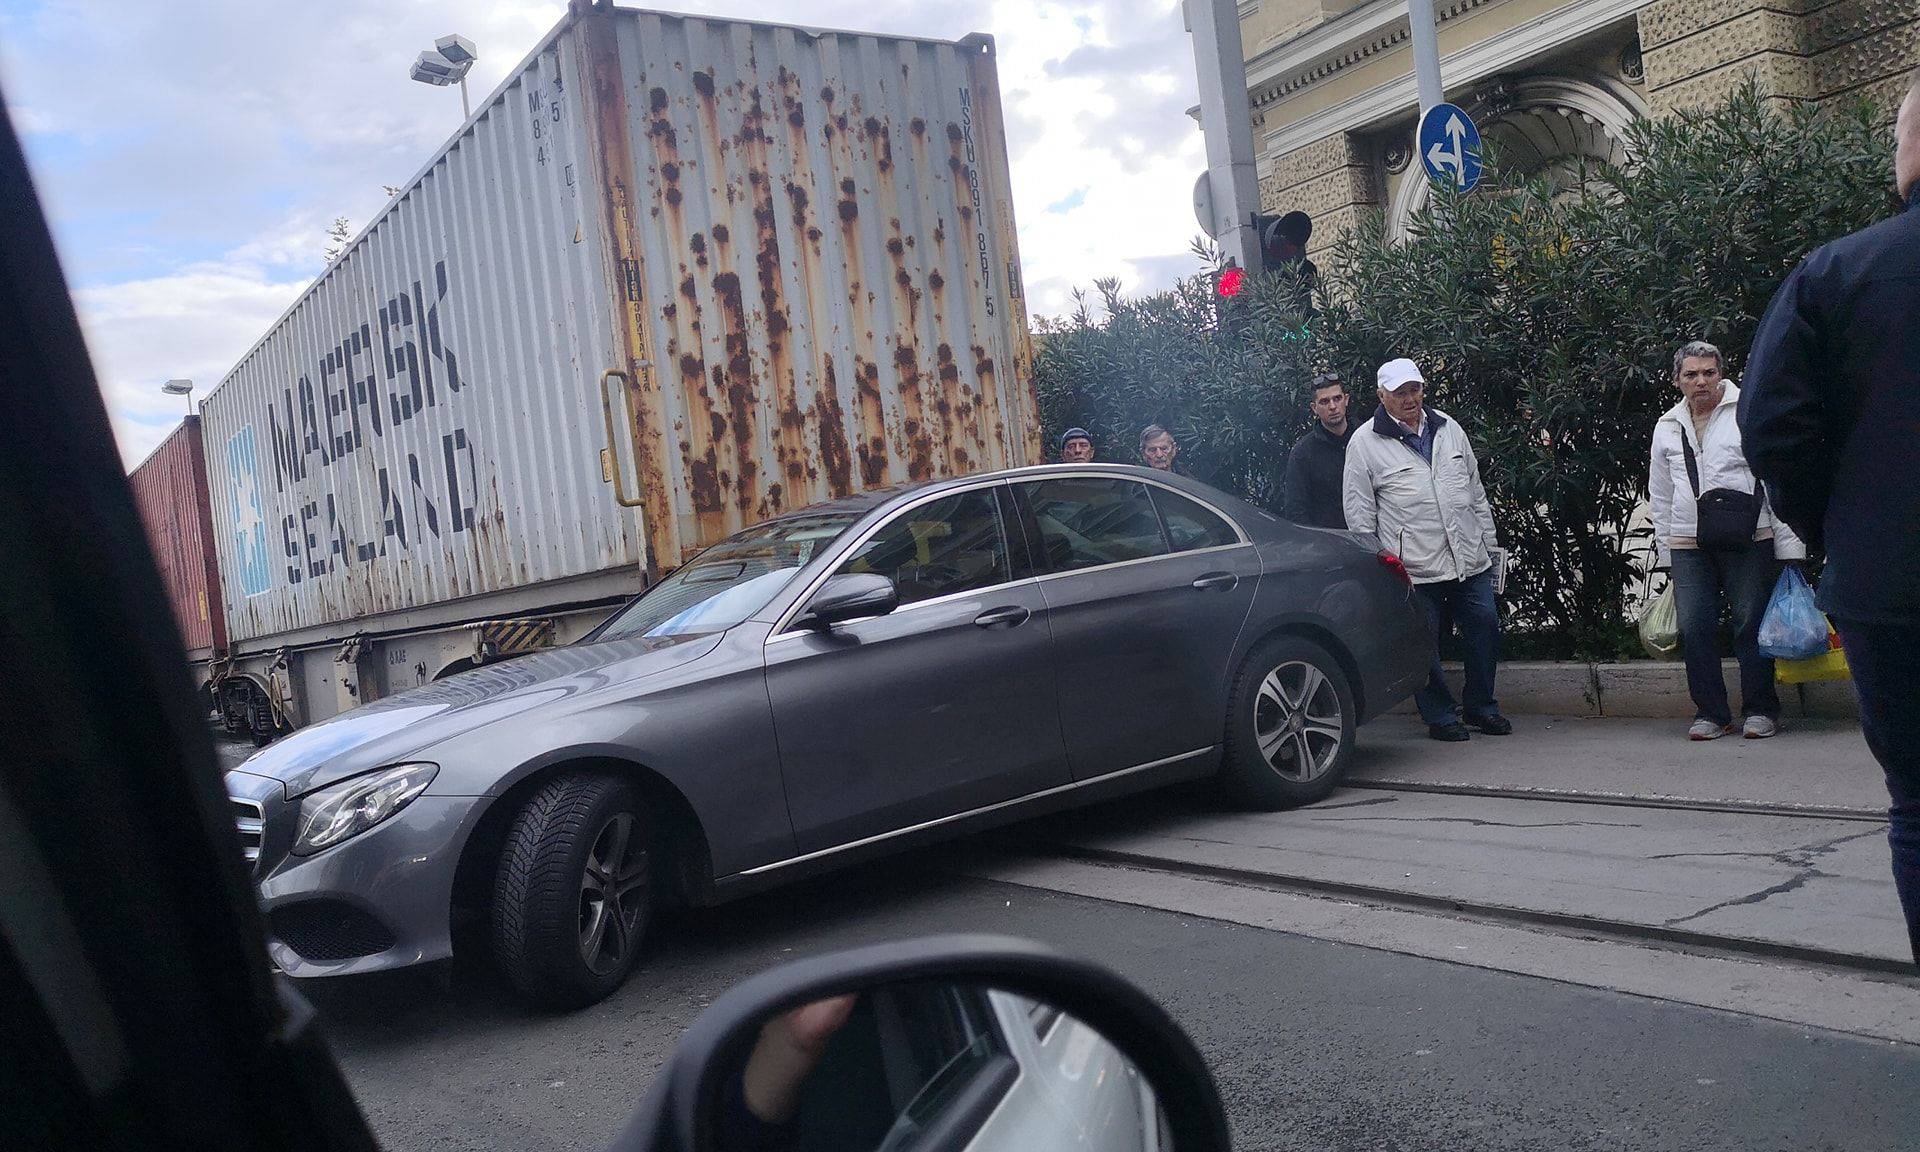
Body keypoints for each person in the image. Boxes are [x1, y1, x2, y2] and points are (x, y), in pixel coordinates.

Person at [1738, 70, 1920, 963]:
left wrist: (1837, 529)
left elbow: (1773, 426)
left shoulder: (1836, 274)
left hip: (1894, 588)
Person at [1344, 357, 1510, 742]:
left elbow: (1474, 489)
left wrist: (1488, 542)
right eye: (1399, 392)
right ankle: (1440, 715)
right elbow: (1359, 515)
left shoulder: (1449, 427)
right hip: (1413, 567)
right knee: (1424, 643)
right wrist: (1378, 568)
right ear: (1381, 395)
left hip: (1469, 558)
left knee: (1484, 627)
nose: (1409, 398)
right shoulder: (1365, 443)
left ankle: (1481, 706)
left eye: (1414, 389)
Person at [1649, 341, 1803, 741]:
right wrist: (1666, 552)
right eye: (1691, 374)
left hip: (1750, 535)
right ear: (1677, 380)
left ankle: (1761, 710)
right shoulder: (1667, 425)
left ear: (1721, 374)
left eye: (1708, 373)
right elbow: (1661, 494)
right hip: (1687, 541)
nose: (1701, 381)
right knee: (1695, 626)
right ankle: (1711, 714)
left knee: (1749, 622)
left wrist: (1790, 547)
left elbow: (1773, 479)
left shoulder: (1745, 413)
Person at [1283, 372, 1355, 528]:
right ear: (1314, 408)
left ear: (1346, 399)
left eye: (1337, 398)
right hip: (1331, 544)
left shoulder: (1367, 438)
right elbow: (1296, 511)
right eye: (1324, 401)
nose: (1333, 406)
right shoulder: (1302, 454)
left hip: (1378, 541)